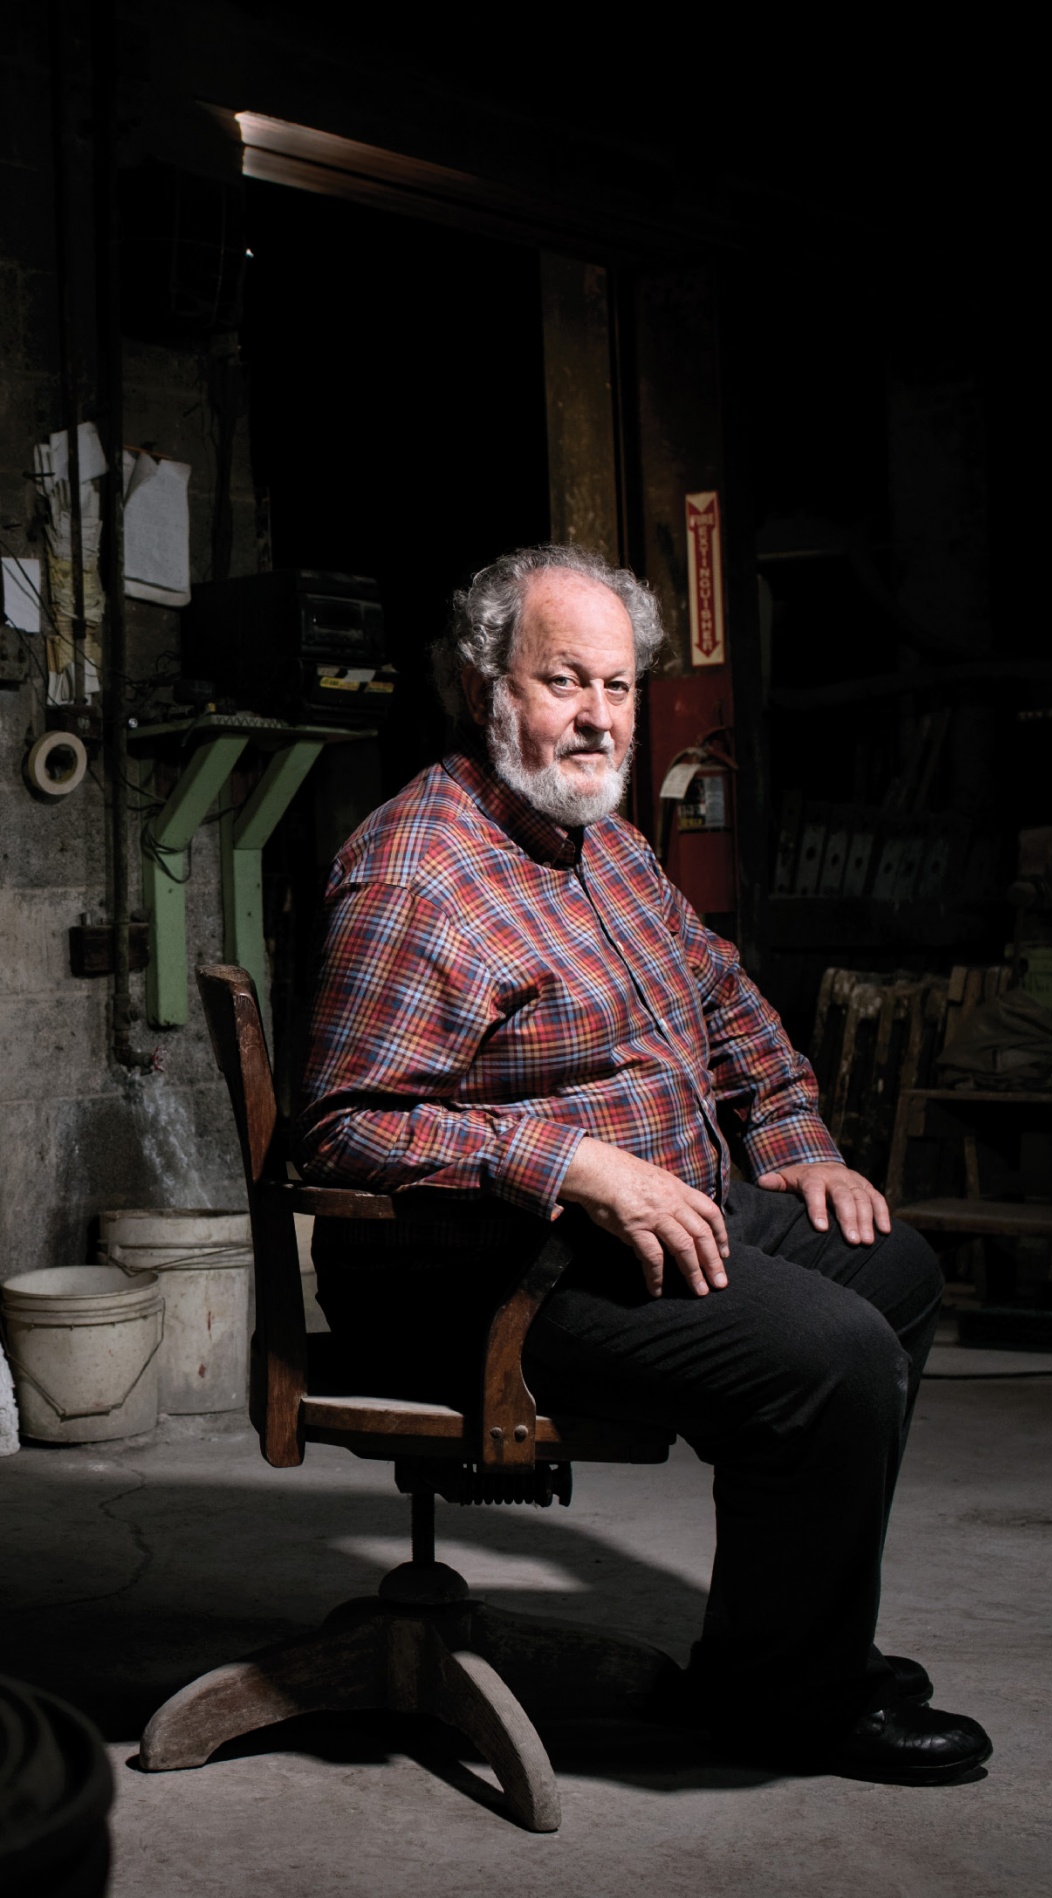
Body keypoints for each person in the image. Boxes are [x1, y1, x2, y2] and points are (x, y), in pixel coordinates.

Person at [296, 544, 992, 1785]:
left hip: (654, 1202)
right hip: (477, 1267)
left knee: (895, 1269)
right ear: (482, 687)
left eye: (618, 687)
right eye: (565, 680)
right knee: (829, 1358)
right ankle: (796, 1700)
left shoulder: (607, 844)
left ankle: (775, 1658)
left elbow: (723, 999)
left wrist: (794, 1140)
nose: (598, 718)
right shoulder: (417, 873)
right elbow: (345, 1128)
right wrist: (567, 1162)